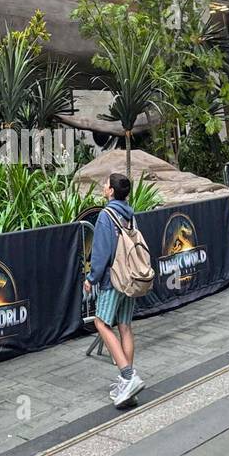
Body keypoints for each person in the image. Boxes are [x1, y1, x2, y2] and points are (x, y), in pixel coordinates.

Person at [84, 173, 144, 407]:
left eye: (106, 184)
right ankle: (126, 384)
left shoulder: (106, 215)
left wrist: (92, 277)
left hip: (114, 279)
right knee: (125, 326)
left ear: (110, 191)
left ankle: (128, 377)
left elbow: (101, 252)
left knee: (101, 323)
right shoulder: (130, 214)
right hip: (131, 276)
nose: (104, 187)